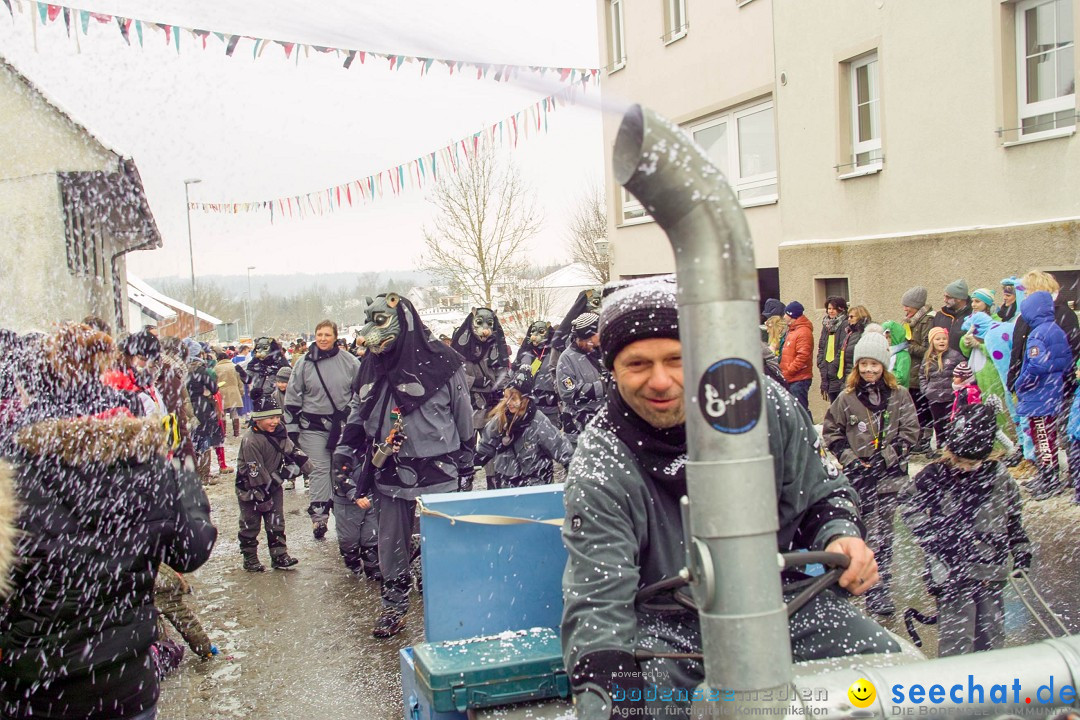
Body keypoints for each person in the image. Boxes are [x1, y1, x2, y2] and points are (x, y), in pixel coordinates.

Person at [561, 278, 894, 719]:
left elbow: (824, 491)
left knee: (883, 671)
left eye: (677, 359)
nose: (660, 381)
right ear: (612, 369)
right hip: (666, 630)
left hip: (778, 605)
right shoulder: (601, 460)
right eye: (637, 364)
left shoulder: (761, 407)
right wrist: (610, 688)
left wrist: (840, 535)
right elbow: (598, 601)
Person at [0, 322, 216, 720]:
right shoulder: (141, 456)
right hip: (122, 679)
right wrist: (182, 477)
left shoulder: (11, 461)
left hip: (35, 683)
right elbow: (192, 548)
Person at [342, 293, 474, 638]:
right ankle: (394, 604)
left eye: (380, 321)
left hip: (438, 470)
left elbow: (463, 414)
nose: (368, 331)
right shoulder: (370, 365)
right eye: (368, 320)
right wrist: (346, 445)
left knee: (442, 541)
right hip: (390, 470)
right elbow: (361, 407)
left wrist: (466, 460)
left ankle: (444, 598)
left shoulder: (445, 363)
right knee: (391, 542)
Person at [900, 403, 1031, 657]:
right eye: (960, 461)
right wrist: (930, 537)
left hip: (990, 569)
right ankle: (954, 689)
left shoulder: (1000, 478)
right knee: (956, 641)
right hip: (950, 572)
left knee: (990, 637)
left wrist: (1021, 549)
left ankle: (989, 690)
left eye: (973, 463)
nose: (965, 467)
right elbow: (907, 502)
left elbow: (1013, 517)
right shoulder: (935, 475)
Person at [822, 332, 920, 617]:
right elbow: (832, 432)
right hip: (859, 481)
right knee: (859, 537)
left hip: (890, 480)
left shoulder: (900, 396)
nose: (869, 370)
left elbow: (911, 432)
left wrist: (886, 458)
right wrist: (851, 459)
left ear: (884, 366)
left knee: (884, 539)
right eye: (863, 364)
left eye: (874, 365)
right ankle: (853, 584)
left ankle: (880, 590)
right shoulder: (847, 398)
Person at [284, 320, 365, 546]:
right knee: (318, 471)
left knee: (341, 470)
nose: (322, 338)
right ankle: (319, 517)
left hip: (343, 427)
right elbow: (292, 397)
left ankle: (343, 517)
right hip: (313, 427)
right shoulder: (303, 364)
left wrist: (354, 416)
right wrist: (292, 430)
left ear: (335, 337)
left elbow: (362, 391)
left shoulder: (350, 362)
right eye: (319, 334)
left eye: (327, 334)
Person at [236, 391, 311, 571]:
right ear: (257, 419)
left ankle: (279, 555)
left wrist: (305, 464)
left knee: (276, 520)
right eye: (269, 418)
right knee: (250, 522)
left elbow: (289, 448)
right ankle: (250, 557)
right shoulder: (250, 440)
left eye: (277, 417)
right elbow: (255, 471)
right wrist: (261, 496)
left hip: (273, 483)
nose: (274, 422)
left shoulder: (279, 431)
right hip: (250, 487)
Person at [474, 365, 573, 488]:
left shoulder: (539, 422)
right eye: (506, 397)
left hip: (535, 486)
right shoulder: (500, 419)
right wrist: (472, 466)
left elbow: (561, 449)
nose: (509, 403)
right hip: (506, 485)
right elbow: (486, 446)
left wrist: (574, 473)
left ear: (525, 399)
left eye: (513, 398)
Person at [1015, 290, 1072, 500]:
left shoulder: (1037, 333)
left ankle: (1049, 479)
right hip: (1051, 391)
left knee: (1042, 437)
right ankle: (1046, 476)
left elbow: (1036, 366)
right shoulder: (1055, 330)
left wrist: (1020, 383)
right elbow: (1065, 362)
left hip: (1039, 395)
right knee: (1047, 436)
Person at [452, 307, 511, 435]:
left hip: (490, 403)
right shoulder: (461, 347)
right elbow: (453, 373)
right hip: (468, 402)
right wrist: (473, 381)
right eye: (479, 322)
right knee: (467, 445)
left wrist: (501, 391)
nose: (485, 328)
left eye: (489, 323)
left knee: (490, 444)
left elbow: (502, 372)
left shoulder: (496, 346)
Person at [556, 312, 606, 447]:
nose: (594, 344)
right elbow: (569, 393)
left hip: (602, 426)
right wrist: (604, 386)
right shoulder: (566, 359)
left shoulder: (600, 352)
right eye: (591, 340)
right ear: (581, 339)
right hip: (578, 427)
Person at [183, 337, 225, 486]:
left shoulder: (182, 370)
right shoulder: (201, 370)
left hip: (187, 407)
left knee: (193, 440)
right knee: (205, 440)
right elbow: (214, 388)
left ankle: (195, 472)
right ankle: (204, 474)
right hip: (203, 407)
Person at [901, 286, 935, 453]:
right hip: (911, 374)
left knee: (924, 409)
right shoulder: (910, 322)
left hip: (921, 373)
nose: (905, 309)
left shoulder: (927, 321)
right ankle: (918, 438)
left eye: (907, 306)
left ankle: (926, 439)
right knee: (915, 409)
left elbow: (926, 349)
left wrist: (907, 347)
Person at [921, 327, 965, 454]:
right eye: (938, 339)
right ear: (932, 342)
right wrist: (926, 389)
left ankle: (952, 449)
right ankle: (941, 449)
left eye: (944, 339)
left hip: (950, 397)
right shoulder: (928, 358)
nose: (942, 341)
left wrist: (959, 389)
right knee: (938, 424)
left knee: (951, 423)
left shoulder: (955, 356)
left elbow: (964, 372)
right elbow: (922, 375)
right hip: (934, 397)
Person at [515, 320, 561, 427]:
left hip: (550, 405)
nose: (535, 335)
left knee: (550, 438)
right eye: (533, 331)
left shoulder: (554, 352)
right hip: (528, 405)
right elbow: (514, 373)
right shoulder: (526, 352)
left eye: (540, 331)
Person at [779, 301, 814, 414]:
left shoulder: (803, 332)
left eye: (786, 314)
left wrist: (789, 370)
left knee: (801, 411)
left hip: (798, 379)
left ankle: (808, 431)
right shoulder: (792, 330)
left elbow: (803, 356)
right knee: (794, 412)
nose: (784, 316)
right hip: (791, 378)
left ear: (791, 315)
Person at [817, 295, 849, 403]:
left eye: (834, 309)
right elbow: (821, 347)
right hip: (827, 372)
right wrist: (820, 362)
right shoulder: (826, 325)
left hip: (838, 372)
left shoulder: (845, 324)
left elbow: (842, 348)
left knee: (840, 405)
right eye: (829, 308)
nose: (831, 311)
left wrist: (833, 366)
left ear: (841, 309)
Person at [933, 279, 973, 353]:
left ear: (959, 299)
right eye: (944, 296)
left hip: (963, 362)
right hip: (939, 361)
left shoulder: (972, 316)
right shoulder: (940, 315)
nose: (944, 300)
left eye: (948, 297)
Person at [215, 350, 247, 437]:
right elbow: (240, 381)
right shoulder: (234, 366)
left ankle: (223, 432)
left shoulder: (216, 368)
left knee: (222, 413)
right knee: (234, 413)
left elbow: (214, 382)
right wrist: (241, 391)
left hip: (221, 392)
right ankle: (236, 432)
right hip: (234, 391)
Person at [838, 305, 870, 383]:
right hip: (846, 375)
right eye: (848, 317)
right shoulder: (850, 333)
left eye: (852, 317)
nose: (849, 319)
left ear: (860, 317)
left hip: (857, 377)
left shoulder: (864, 333)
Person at [882, 320, 911, 388]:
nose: (887, 340)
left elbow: (902, 377)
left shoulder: (903, 355)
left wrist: (883, 377)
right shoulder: (884, 352)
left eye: (889, 337)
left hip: (897, 391)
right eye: (885, 337)